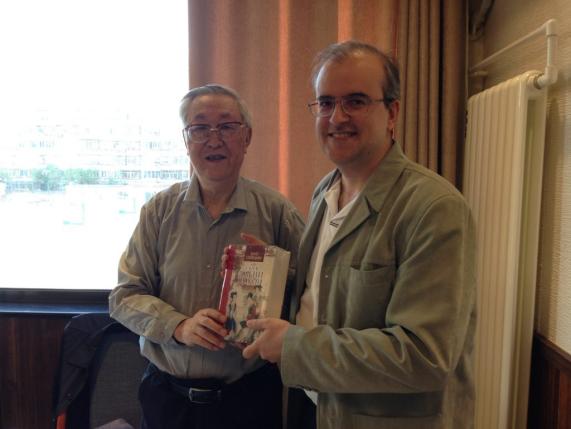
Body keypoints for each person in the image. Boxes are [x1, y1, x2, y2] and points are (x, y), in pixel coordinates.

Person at [242, 41, 476, 429]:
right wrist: (275, 269)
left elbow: (424, 356)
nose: (337, 117)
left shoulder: (433, 207)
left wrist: (294, 346)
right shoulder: (326, 190)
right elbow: (331, 288)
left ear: (392, 112)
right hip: (317, 404)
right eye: (326, 103)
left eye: (355, 101)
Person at [109, 84, 304, 429]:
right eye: (200, 128)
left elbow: (310, 294)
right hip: (168, 399)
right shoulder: (158, 212)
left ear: (247, 137)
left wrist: (276, 274)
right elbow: (124, 297)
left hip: (249, 399)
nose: (214, 139)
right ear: (186, 140)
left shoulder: (277, 212)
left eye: (227, 126)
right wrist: (179, 326)